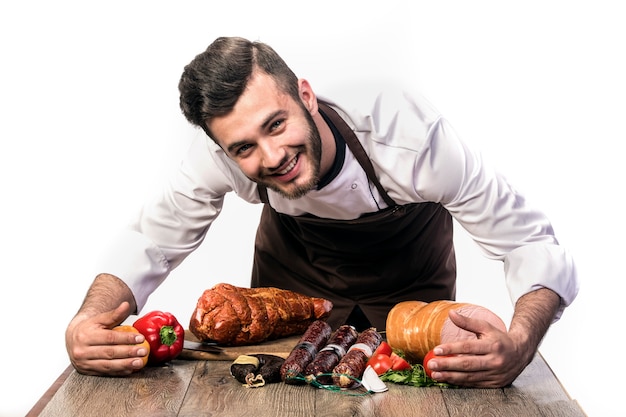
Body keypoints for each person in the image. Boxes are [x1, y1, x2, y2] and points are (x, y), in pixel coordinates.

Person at [65, 36, 578, 387]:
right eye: (244, 148)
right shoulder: (217, 157)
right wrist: (87, 320)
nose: (271, 158)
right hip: (291, 295)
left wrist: (520, 341)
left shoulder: (408, 135)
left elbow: (527, 243)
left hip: (409, 295)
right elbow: (153, 239)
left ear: (305, 96)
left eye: (276, 125)